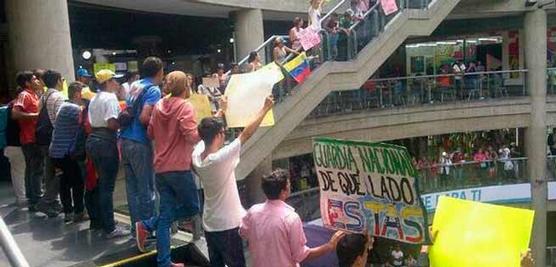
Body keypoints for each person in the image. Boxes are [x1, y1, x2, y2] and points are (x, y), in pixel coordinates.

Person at [190, 95, 273, 267]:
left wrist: (222, 110)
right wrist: (265, 108)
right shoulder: (221, 158)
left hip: (210, 224)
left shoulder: (197, 156)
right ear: (220, 134)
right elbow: (246, 134)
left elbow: (208, 131)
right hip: (228, 226)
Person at [135, 71, 201, 267]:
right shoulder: (185, 107)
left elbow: (151, 132)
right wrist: (206, 129)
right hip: (179, 168)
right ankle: (147, 224)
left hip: (161, 168)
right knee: (193, 207)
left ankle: (164, 262)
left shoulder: (159, 105)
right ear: (185, 86)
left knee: (166, 213)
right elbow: (191, 136)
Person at [241, 168, 345, 267]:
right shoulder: (290, 218)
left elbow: (243, 232)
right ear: (283, 191)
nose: (290, 186)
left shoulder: (253, 212)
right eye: (288, 184)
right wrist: (329, 246)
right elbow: (301, 256)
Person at [121, 57, 163, 235]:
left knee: (132, 188)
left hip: (125, 139)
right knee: (146, 187)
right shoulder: (153, 90)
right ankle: (146, 229)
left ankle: (134, 226)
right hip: (140, 142)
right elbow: (144, 118)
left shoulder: (135, 85)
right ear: (159, 71)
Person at [86, 69, 129, 238]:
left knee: (99, 184)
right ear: (107, 82)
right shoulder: (110, 98)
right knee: (107, 187)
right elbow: (112, 123)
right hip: (106, 141)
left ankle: (100, 221)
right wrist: (125, 120)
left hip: (93, 140)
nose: (117, 83)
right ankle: (110, 228)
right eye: (114, 80)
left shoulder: (94, 98)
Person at [49, 81, 87, 223]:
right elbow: (87, 120)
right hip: (65, 153)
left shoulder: (64, 106)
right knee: (77, 182)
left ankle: (68, 212)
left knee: (65, 182)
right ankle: (78, 211)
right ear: (78, 94)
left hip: (56, 152)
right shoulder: (73, 108)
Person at [35, 70, 66, 218]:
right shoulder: (58, 97)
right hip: (56, 140)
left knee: (49, 171)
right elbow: (61, 121)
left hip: (43, 139)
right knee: (63, 171)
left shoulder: (43, 97)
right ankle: (47, 200)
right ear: (58, 80)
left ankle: (53, 202)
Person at [11, 71, 42, 211]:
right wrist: (36, 115)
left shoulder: (34, 95)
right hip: (30, 139)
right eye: (34, 79)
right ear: (27, 82)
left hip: (33, 138)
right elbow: (15, 113)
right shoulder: (25, 95)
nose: (37, 81)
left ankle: (33, 199)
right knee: (35, 170)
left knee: (32, 169)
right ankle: (36, 199)